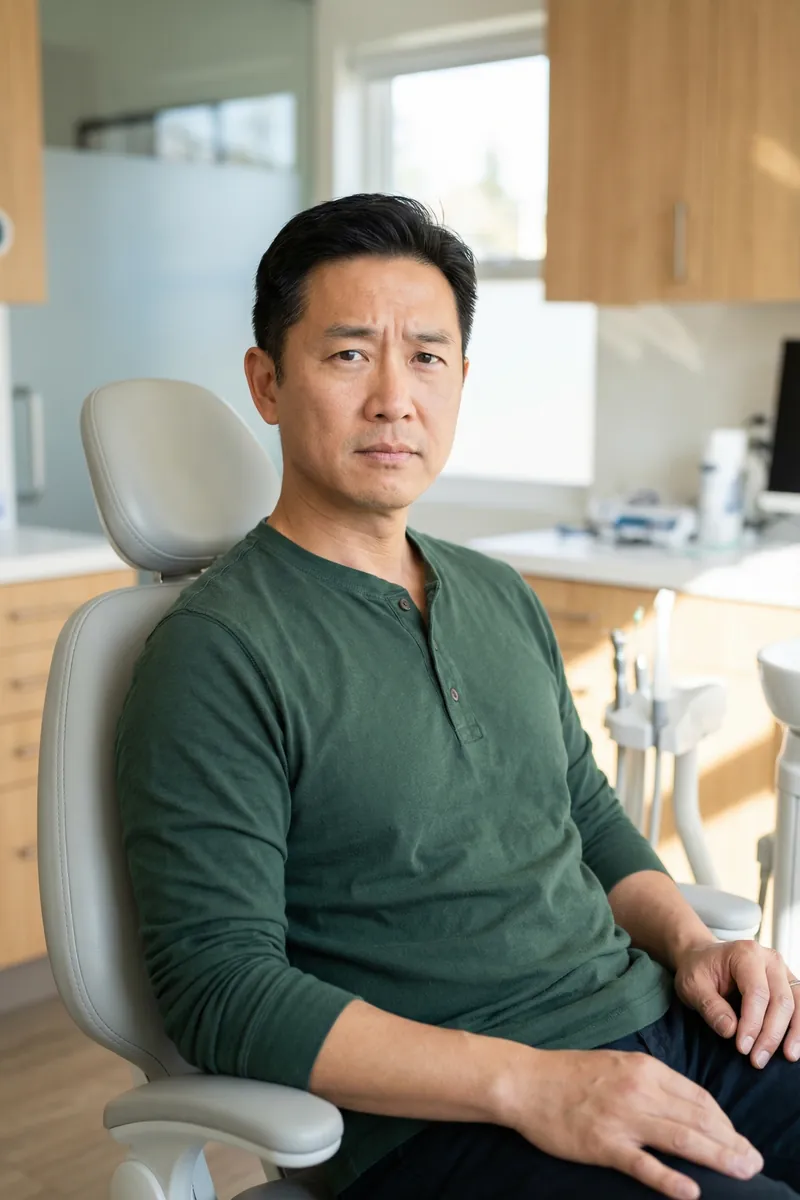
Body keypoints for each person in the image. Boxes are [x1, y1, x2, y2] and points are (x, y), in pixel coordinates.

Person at [116, 194, 800, 1200]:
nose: (395, 397)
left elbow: (587, 819)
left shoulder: (495, 593)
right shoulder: (217, 652)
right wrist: (530, 1085)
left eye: (427, 357)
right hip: (446, 1125)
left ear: (461, 382)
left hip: (656, 1033)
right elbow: (220, 990)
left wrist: (693, 945)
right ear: (267, 382)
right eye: (348, 355)